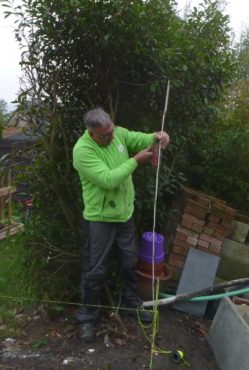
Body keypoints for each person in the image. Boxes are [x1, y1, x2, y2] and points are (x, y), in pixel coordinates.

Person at [72, 107, 170, 343]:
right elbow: (108, 180)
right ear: (92, 133)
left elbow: (140, 138)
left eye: (112, 131)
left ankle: (130, 303)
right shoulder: (82, 150)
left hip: (125, 215)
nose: (112, 137)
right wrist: (136, 160)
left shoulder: (118, 134)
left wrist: (158, 137)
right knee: (95, 270)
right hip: (99, 220)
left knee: (129, 262)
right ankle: (87, 317)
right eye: (106, 135)